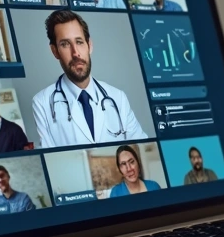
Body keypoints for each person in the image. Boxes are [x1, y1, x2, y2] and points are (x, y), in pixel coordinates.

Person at [31, 9, 147, 148]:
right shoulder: (42, 103)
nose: (75, 53)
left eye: (79, 42)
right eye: (65, 44)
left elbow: (142, 146)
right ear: (55, 51)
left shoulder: (118, 98)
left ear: (89, 46)